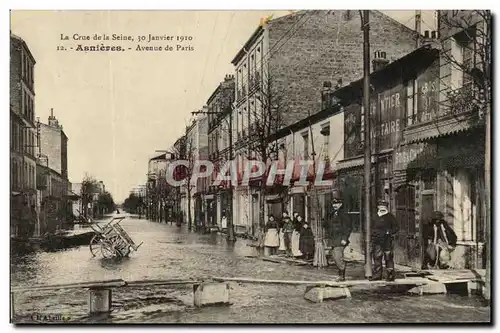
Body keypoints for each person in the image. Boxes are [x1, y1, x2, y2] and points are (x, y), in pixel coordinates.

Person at [323, 193, 352, 281]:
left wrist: (344, 238)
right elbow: (327, 225)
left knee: (337, 257)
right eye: (333, 204)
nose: (335, 205)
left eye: (337, 204)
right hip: (333, 239)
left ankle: (342, 276)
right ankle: (340, 274)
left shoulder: (344, 214)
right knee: (335, 256)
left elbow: (348, 227)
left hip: (340, 239)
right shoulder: (332, 213)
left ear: (341, 204)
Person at [371, 200, 399, 281]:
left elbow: (396, 227)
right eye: (380, 206)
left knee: (388, 257)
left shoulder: (390, 216)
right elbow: (371, 227)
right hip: (377, 240)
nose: (382, 208)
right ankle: (377, 275)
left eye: (384, 206)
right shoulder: (375, 216)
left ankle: (390, 275)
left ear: (386, 207)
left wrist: (389, 232)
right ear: (378, 207)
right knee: (377, 257)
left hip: (387, 240)